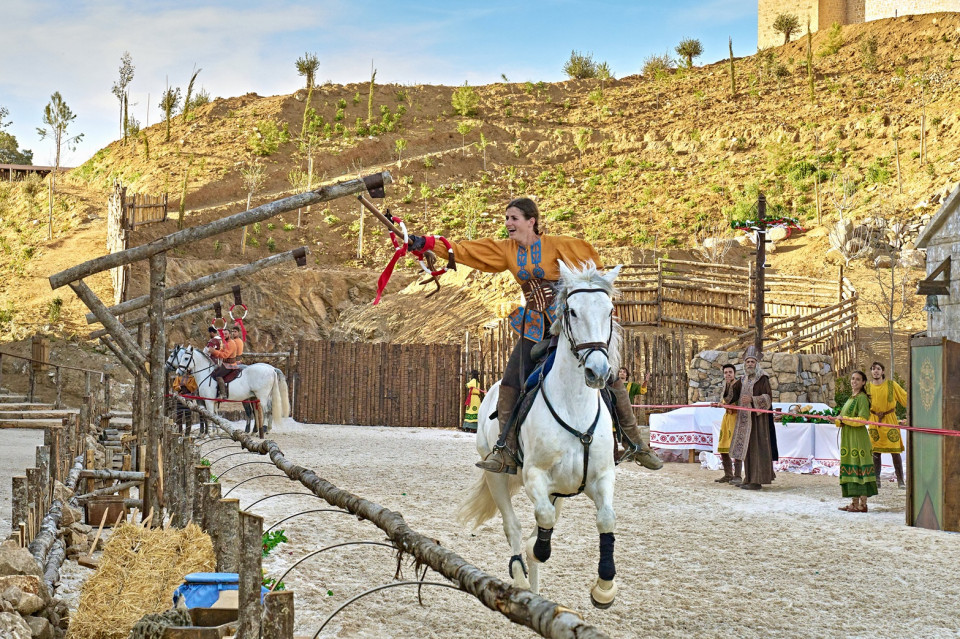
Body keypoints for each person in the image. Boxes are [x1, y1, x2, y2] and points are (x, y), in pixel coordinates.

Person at [407, 197, 662, 474]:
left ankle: (636, 444)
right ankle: (505, 450)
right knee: (510, 382)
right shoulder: (507, 250)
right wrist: (428, 244)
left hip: (566, 325)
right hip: (532, 325)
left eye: (514, 218)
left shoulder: (560, 245)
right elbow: (468, 251)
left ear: (532, 221)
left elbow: (593, 277)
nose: (508, 224)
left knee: (607, 375)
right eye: (506, 218)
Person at [728, 345, 778, 490]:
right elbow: (731, 396)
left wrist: (752, 399)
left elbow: (768, 398)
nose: (750, 364)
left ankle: (757, 481)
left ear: (757, 364)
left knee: (757, 448)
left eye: (752, 362)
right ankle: (748, 478)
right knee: (747, 449)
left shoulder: (763, 378)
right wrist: (728, 384)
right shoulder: (742, 379)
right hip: (744, 421)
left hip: (758, 421)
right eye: (748, 362)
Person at [836, 370, 877, 512]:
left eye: (858, 379)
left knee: (859, 466)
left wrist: (845, 420)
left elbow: (863, 419)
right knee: (851, 465)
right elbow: (843, 416)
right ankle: (854, 503)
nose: (854, 381)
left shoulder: (862, 398)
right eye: (853, 378)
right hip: (848, 437)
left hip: (858, 438)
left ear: (863, 382)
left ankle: (863, 504)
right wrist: (838, 420)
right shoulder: (851, 398)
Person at [867, 362, 908, 489]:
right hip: (874, 421)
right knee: (875, 452)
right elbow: (861, 404)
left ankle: (900, 480)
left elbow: (906, 398)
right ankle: (876, 480)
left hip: (890, 420)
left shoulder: (891, 385)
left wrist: (910, 415)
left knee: (895, 451)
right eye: (873, 369)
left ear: (883, 371)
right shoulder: (867, 387)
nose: (876, 371)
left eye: (878, 369)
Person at [713, 363, 743, 484]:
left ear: (734, 373)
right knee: (723, 446)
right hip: (727, 418)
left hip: (736, 418)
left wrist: (729, 406)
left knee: (736, 446)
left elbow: (741, 402)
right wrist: (719, 404)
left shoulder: (739, 385)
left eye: (730, 372)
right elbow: (725, 401)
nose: (728, 374)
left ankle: (737, 476)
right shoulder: (726, 385)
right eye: (725, 372)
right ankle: (728, 475)